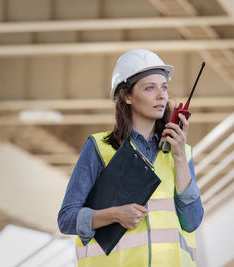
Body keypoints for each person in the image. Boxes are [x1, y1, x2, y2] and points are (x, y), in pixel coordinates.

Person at [58, 49, 204, 267]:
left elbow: (192, 222)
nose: (162, 95)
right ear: (126, 96)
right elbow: (67, 219)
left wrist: (180, 156)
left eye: (164, 87)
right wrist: (115, 214)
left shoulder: (181, 152)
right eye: (150, 88)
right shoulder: (99, 148)